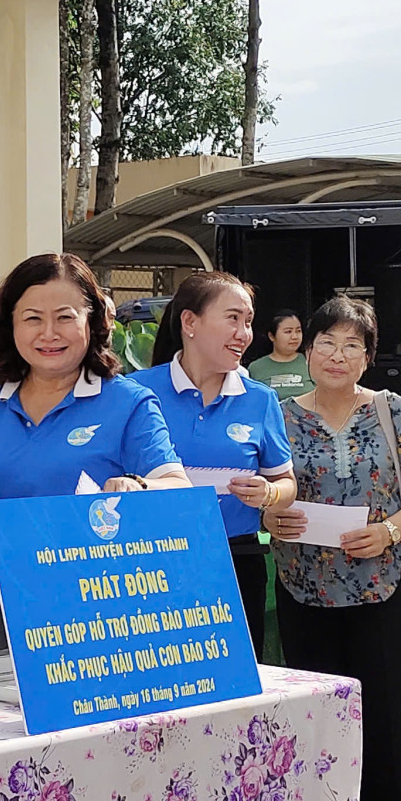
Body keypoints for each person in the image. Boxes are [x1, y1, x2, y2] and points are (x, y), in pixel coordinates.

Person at [0, 253, 189, 693]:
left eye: (64, 317)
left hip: (101, 626)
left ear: (92, 321)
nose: (48, 334)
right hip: (2, 624)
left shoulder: (128, 403)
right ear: (10, 325)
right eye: (32, 318)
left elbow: (177, 488)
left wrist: (140, 486)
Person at [262, 297, 401, 801]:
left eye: (351, 346)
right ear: (306, 349)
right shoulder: (280, 415)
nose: (337, 356)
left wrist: (389, 530)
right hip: (302, 589)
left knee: (388, 718)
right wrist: (273, 520)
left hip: (378, 587)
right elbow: (267, 496)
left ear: (368, 357)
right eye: (325, 343)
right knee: (314, 719)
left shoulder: (392, 412)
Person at [132, 273, 296, 653]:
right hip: (153, 566)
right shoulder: (136, 392)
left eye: (249, 321)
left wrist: (270, 493)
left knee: (235, 687)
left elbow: (287, 485)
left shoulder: (260, 399)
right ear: (189, 322)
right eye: (232, 318)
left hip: (237, 562)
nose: (243, 333)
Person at [245, 310, 314, 401]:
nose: (294, 336)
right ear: (272, 336)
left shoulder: (311, 362)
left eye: (298, 331)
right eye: (288, 331)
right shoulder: (256, 368)